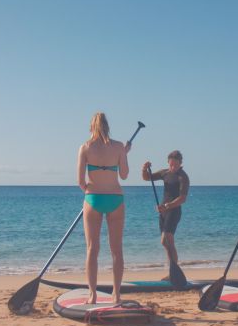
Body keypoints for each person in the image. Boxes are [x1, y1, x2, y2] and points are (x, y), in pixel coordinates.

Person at [77, 112, 131, 304]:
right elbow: (124, 175)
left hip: (93, 199)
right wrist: (124, 154)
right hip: (115, 199)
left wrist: (91, 192)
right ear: (107, 126)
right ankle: (116, 294)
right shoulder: (118, 147)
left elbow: (80, 182)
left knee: (92, 248)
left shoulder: (85, 148)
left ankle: (92, 295)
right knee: (117, 249)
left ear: (92, 127)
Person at [141, 151, 190, 270]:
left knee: (167, 239)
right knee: (164, 242)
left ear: (180, 163)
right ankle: (172, 269)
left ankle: (174, 270)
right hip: (163, 211)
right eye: (171, 164)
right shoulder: (165, 173)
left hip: (174, 210)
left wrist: (167, 206)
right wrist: (144, 169)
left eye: (175, 165)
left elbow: (182, 198)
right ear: (168, 162)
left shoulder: (183, 177)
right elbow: (148, 178)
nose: (173, 167)